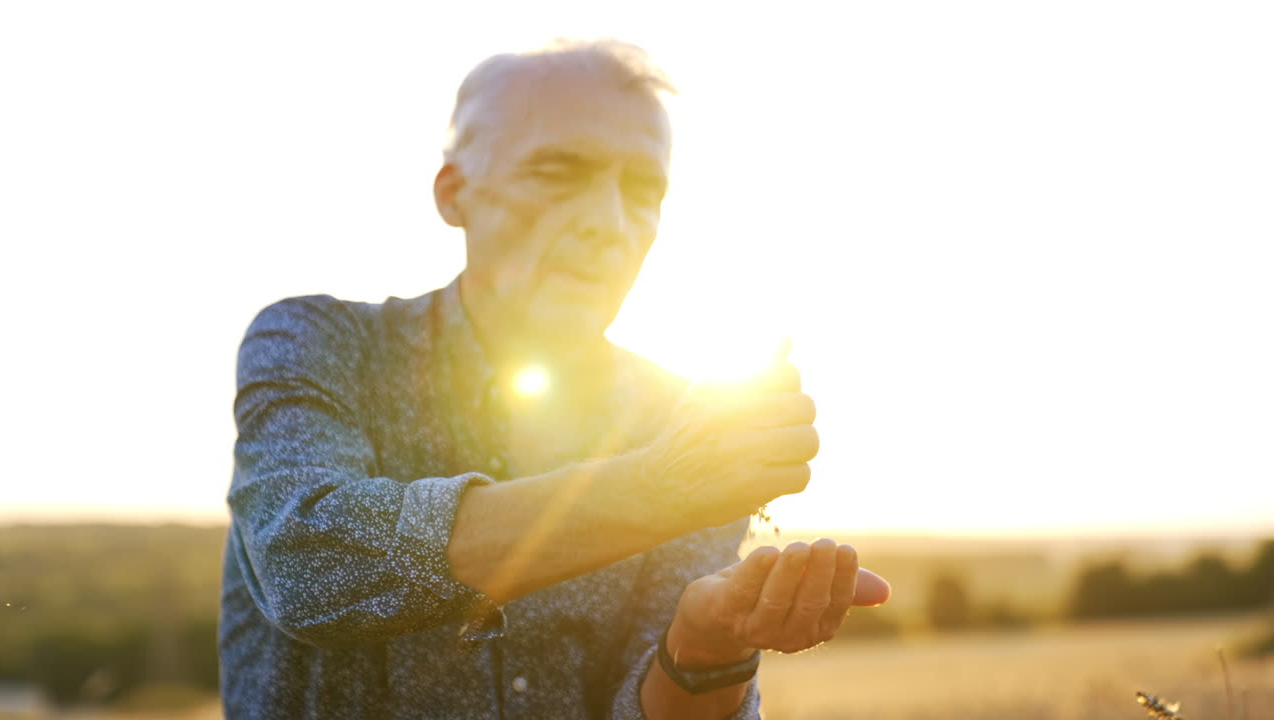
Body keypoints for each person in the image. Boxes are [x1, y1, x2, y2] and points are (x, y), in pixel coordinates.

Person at [219, 38, 890, 719]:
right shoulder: (317, 343)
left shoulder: (677, 421)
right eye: (559, 172)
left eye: (643, 189)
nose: (608, 222)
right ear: (455, 193)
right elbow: (305, 564)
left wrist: (708, 645)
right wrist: (660, 486)